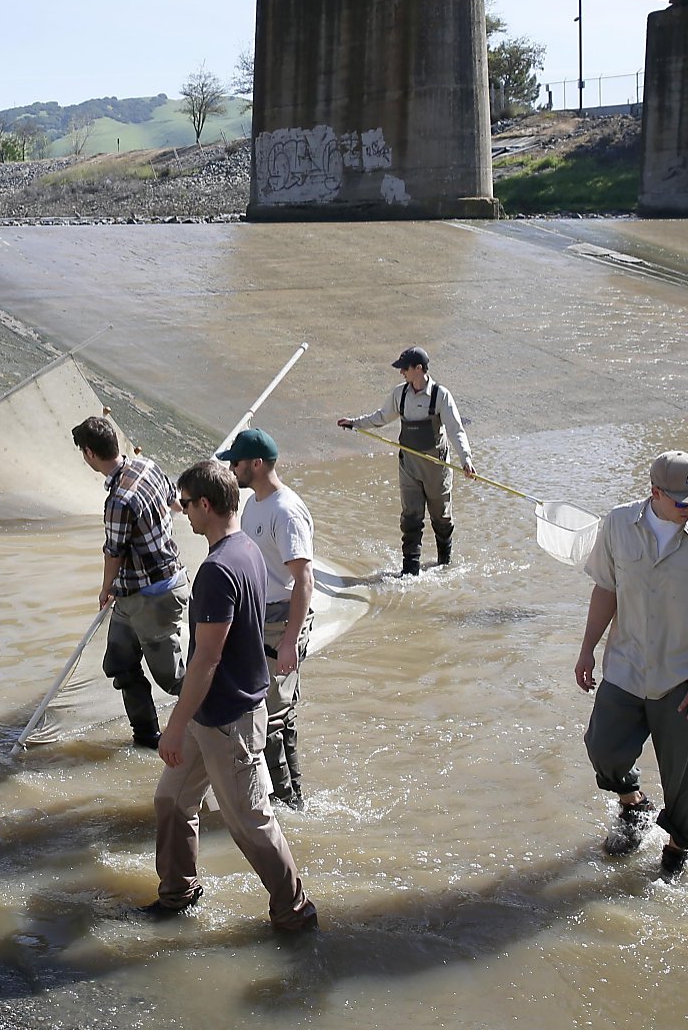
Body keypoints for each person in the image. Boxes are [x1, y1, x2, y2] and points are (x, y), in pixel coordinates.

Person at [143, 459, 318, 933]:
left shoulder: (219, 569)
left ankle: (295, 910)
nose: (181, 512)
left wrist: (174, 727)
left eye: (184, 503)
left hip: (229, 720)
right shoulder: (246, 551)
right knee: (172, 801)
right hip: (211, 713)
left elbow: (206, 659)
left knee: (250, 822)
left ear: (205, 504)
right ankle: (179, 892)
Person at [574, 452, 688, 881]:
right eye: (681, 501)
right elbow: (605, 589)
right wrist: (587, 650)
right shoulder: (618, 524)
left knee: (682, 782)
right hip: (625, 666)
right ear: (654, 492)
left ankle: (676, 852)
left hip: (684, 678)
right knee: (603, 748)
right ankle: (633, 804)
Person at [72, 414, 187, 749]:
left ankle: (217, 725)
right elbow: (175, 502)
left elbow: (114, 552)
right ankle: (147, 736)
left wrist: (105, 588)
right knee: (120, 663)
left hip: (153, 595)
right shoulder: (147, 466)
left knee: (174, 678)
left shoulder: (118, 500)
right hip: (137, 592)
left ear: (90, 454)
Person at [218, 427, 314, 810]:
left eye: (236, 463)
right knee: (274, 712)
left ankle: (287, 803)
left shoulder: (285, 511)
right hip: (259, 616)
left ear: (256, 464)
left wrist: (290, 640)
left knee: (271, 716)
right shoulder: (254, 504)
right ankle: (288, 798)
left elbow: (304, 580)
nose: (233, 469)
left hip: (282, 619)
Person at [336, 345, 476, 575]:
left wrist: (466, 460)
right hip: (409, 467)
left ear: (418, 369)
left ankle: (444, 564)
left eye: (405, 368)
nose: (401, 372)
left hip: (436, 468)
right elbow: (381, 418)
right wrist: (354, 423)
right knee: (411, 518)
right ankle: (410, 571)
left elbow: (456, 431)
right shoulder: (399, 394)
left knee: (441, 518)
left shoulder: (441, 395)